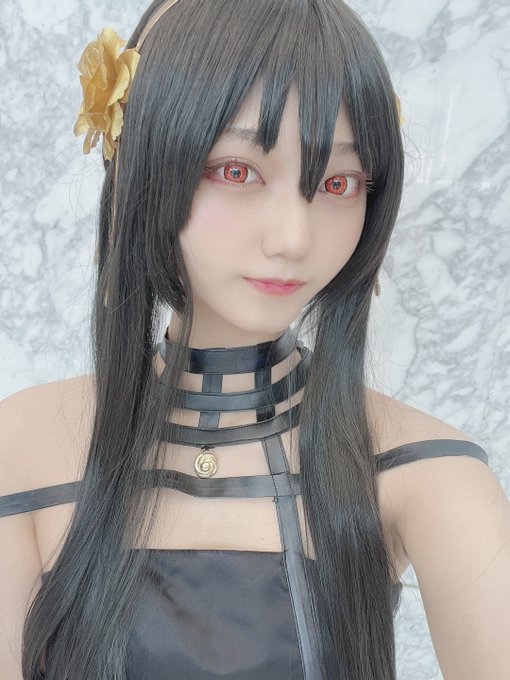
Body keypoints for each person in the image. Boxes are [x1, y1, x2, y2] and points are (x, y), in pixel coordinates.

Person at [1, 0, 507, 679]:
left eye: (337, 183)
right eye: (237, 171)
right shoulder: (22, 447)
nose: (294, 238)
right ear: (145, 162)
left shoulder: (428, 473)